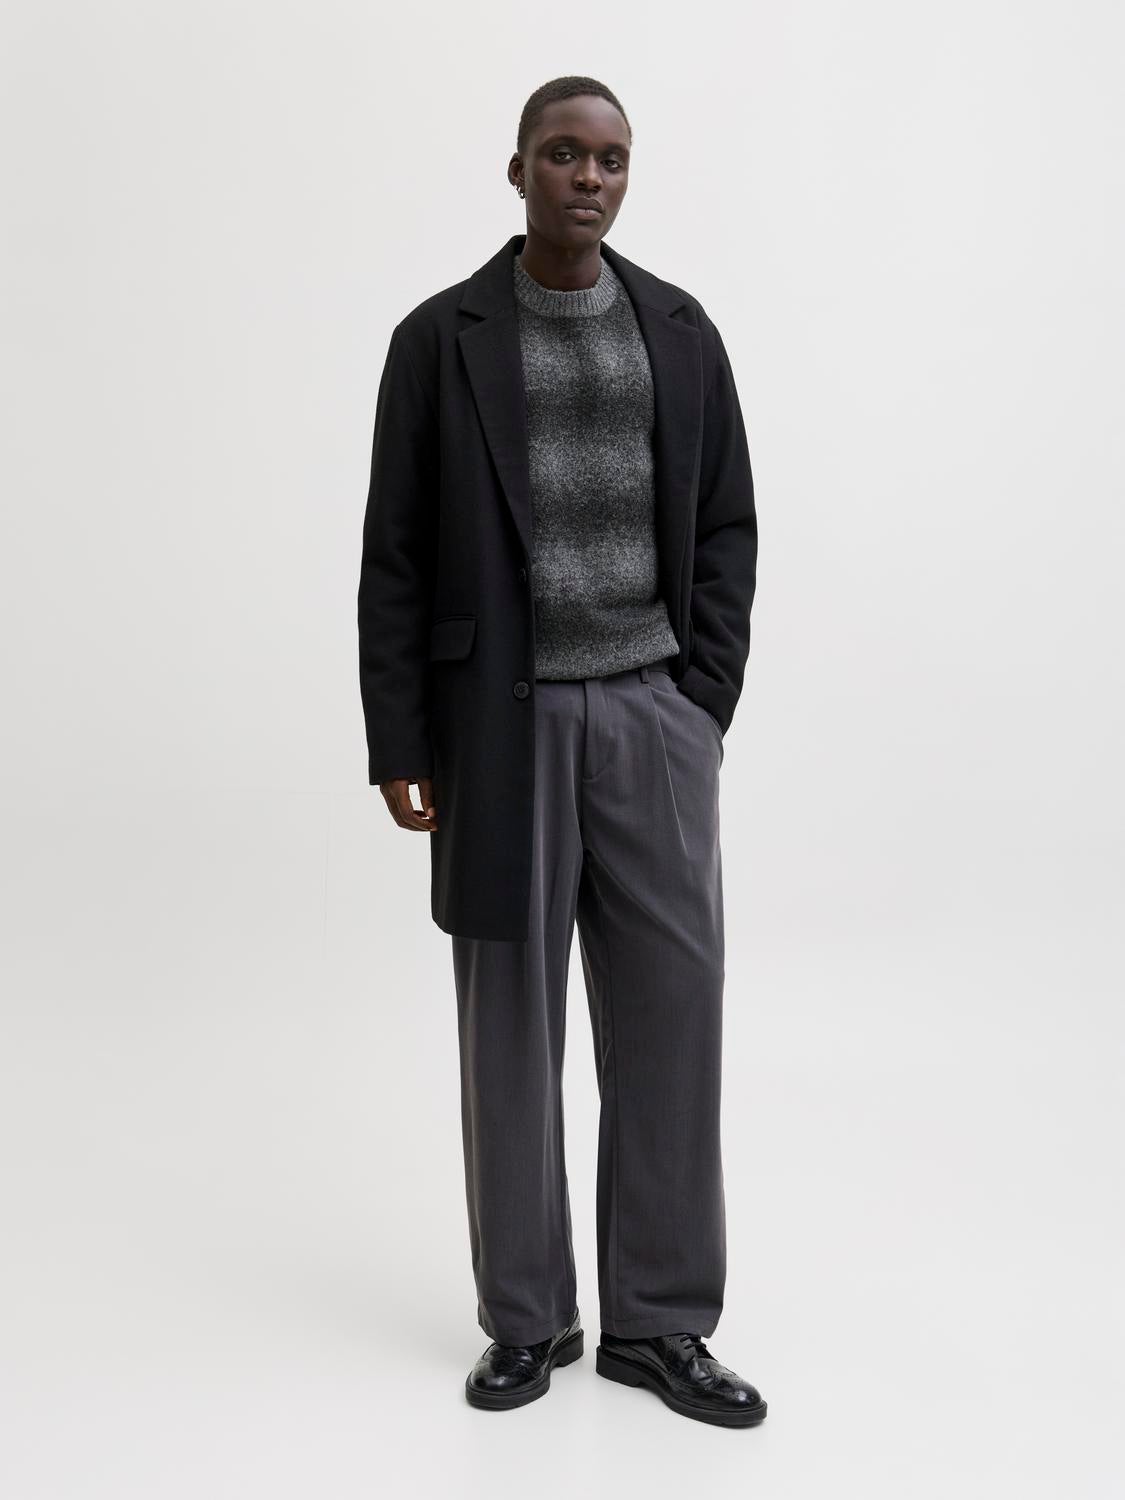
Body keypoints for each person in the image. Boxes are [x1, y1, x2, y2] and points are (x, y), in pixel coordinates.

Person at [357, 75, 765, 1428]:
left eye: (611, 160)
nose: (589, 178)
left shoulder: (680, 330)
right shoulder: (441, 340)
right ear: (518, 169)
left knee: (671, 1020)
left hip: (652, 721)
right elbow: (395, 555)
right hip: (500, 726)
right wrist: (400, 737)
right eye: (563, 155)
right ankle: (527, 1320)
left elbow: (725, 524)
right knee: (509, 1031)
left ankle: (659, 1323)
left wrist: (699, 701)